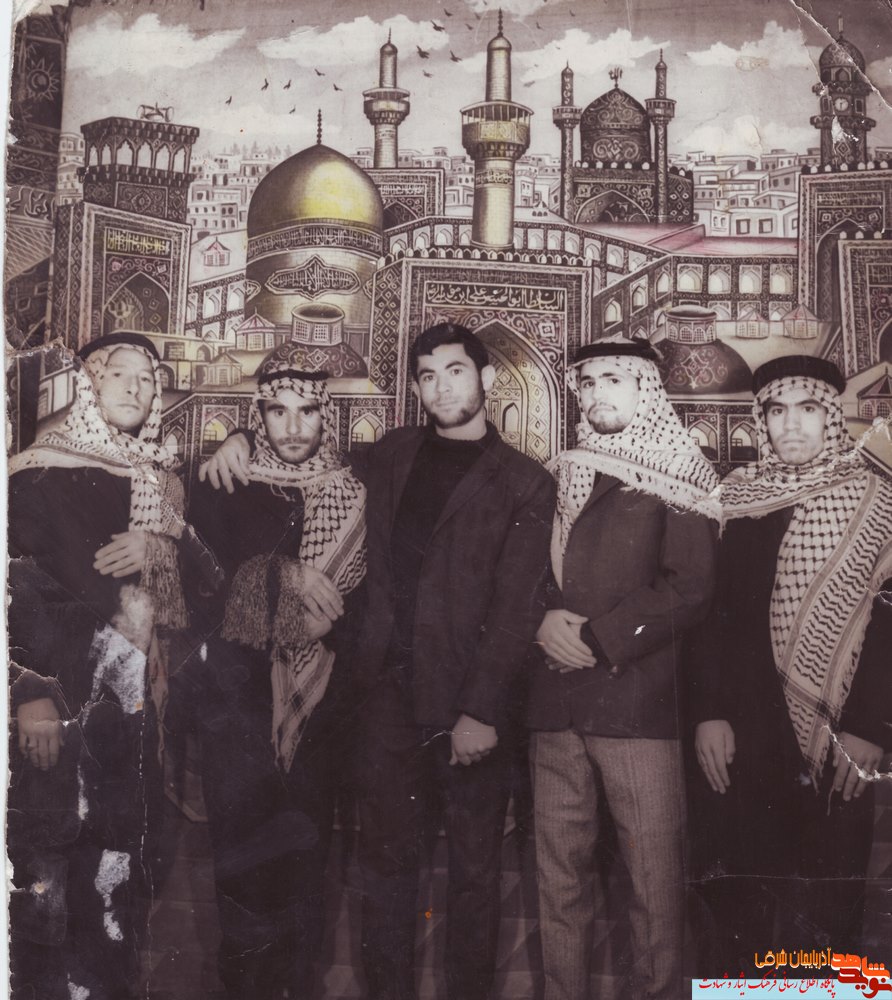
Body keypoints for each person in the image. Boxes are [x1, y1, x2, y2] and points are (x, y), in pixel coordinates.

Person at [201, 322, 555, 1000]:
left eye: (456, 371)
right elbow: (302, 451)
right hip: (387, 703)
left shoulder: (525, 482)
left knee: (474, 875)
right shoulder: (391, 454)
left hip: (470, 709)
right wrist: (239, 436)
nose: (441, 387)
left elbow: (517, 608)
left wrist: (480, 710)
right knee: (385, 868)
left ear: (486, 379)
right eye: (428, 376)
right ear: (415, 388)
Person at [528, 339, 720, 1000]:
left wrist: (599, 637)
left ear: (645, 388)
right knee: (559, 879)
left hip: (635, 705)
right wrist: (542, 621)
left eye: (614, 378)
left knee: (653, 885)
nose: (598, 393)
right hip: (554, 707)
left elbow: (690, 588)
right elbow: (523, 569)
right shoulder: (561, 470)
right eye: (587, 383)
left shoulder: (681, 470)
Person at [688, 355, 892, 972]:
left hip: (840, 737)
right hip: (745, 731)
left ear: (831, 416)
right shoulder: (734, 498)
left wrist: (870, 729)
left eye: (807, 408)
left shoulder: (876, 499)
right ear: (762, 420)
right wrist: (708, 713)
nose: (792, 424)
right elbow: (710, 615)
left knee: (828, 909)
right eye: (777, 411)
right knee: (741, 906)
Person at [179, 347, 366, 1000]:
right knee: (242, 861)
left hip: (317, 708)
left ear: (326, 416)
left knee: (306, 861)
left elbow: (366, 599)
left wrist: (324, 625)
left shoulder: (352, 490)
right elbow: (200, 587)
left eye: (306, 412)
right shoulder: (221, 483)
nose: (291, 427)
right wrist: (282, 577)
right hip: (236, 707)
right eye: (276, 412)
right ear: (258, 415)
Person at [7, 332, 189, 1000]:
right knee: (47, 878)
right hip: (56, 709)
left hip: (131, 714)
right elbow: (17, 588)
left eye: (148, 378)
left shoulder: (161, 482)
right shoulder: (34, 471)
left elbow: (198, 594)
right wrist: (30, 692)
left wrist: (157, 547)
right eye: (120, 374)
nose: (135, 388)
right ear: (89, 381)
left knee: (119, 880)